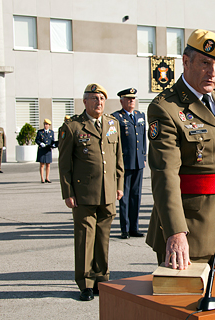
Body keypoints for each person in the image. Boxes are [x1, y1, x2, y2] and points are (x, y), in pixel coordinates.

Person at [145, 29, 215, 270]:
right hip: (190, 229)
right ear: (186, 61)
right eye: (205, 63)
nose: (212, 72)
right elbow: (165, 175)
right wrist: (175, 232)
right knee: (185, 304)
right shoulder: (166, 108)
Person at [58, 83, 124, 301]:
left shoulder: (112, 123)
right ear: (85, 101)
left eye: (102, 99)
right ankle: (85, 283)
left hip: (107, 193)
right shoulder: (73, 127)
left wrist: (119, 185)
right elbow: (64, 164)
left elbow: (118, 158)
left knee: (103, 238)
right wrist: (68, 192)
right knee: (85, 238)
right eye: (94, 98)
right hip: (84, 193)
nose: (99, 103)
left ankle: (101, 279)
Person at [112, 88, 147, 239]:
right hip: (125, 162)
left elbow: (143, 137)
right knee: (124, 197)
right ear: (122, 101)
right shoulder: (116, 118)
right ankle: (124, 229)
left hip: (138, 161)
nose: (131, 101)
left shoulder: (140, 115)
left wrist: (144, 155)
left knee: (136, 196)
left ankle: (134, 227)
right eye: (128, 99)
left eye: (133, 98)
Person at [35, 119, 57, 183]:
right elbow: (37, 140)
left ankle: (47, 178)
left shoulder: (51, 132)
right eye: (45, 124)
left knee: (48, 164)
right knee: (42, 164)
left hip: (48, 150)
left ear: (49, 125)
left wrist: (54, 145)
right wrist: (40, 143)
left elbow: (52, 140)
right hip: (42, 149)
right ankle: (42, 178)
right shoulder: (40, 132)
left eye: (47, 124)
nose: (46, 125)